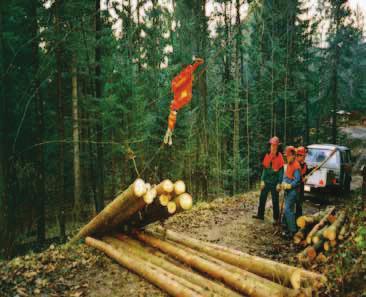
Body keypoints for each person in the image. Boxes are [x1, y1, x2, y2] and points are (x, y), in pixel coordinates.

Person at [253, 136, 284, 223]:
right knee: (262, 198)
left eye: (275, 146)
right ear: (270, 146)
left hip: (275, 182)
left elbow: (281, 172)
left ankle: (276, 218)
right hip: (266, 181)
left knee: (275, 200)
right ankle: (260, 215)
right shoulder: (267, 155)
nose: (273, 147)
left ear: (277, 147)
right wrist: (262, 180)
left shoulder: (280, 157)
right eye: (272, 145)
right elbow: (265, 170)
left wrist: (279, 183)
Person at [281, 146, 301, 238]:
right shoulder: (289, 164)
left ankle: (293, 231)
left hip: (294, 191)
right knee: (288, 208)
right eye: (286, 156)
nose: (287, 158)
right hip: (288, 190)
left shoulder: (296, 165)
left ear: (293, 155)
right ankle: (285, 226)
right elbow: (286, 175)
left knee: (288, 209)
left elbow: (297, 180)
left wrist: (290, 185)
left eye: (289, 156)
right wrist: (283, 182)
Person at [296, 146, 308, 218]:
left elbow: (306, 172)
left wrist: (315, 169)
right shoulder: (295, 164)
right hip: (295, 187)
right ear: (298, 155)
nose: (304, 158)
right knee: (295, 203)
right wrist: (301, 179)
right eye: (302, 156)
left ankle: (299, 217)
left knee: (300, 202)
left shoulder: (304, 164)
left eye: (304, 156)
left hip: (301, 186)